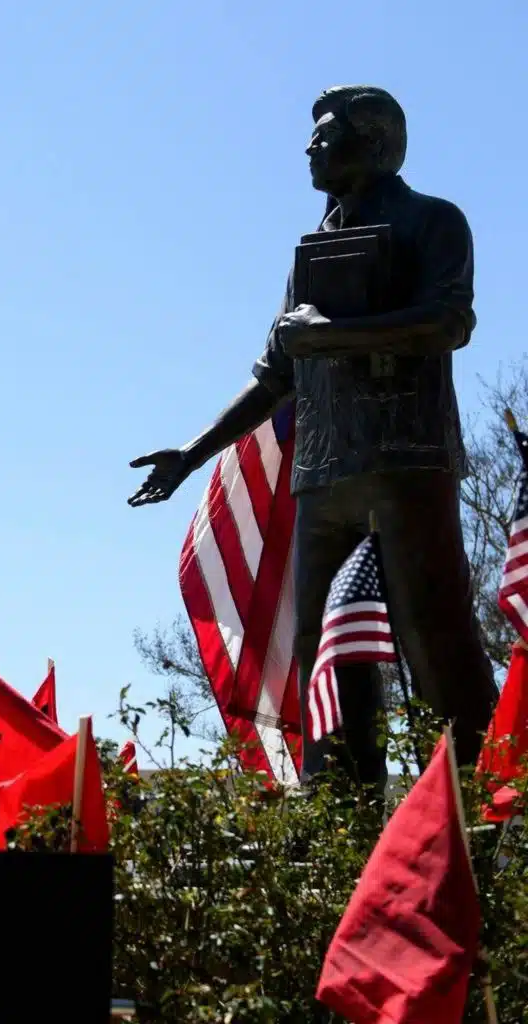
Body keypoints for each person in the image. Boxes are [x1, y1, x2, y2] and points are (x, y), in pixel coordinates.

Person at [128, 85, 497, 792]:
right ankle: (339, 821)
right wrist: (190, 455)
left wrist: (332, 336)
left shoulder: (433, 221)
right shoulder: (311, 252)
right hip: (324, 476)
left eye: (326, 135)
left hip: (405, 464)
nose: (309, 147)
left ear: (376, 144)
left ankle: (479, 810)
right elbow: (277, 375)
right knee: (325, 654)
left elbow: (448, 322)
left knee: (433, 639)